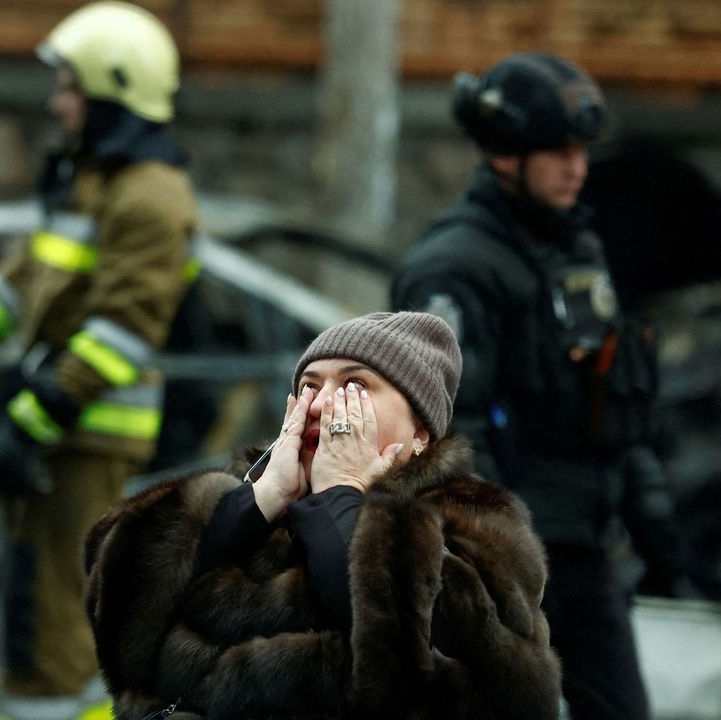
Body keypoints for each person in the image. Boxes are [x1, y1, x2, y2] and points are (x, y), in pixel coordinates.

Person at [0, 3, 197, 718]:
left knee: (60, 621)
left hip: (87, 434)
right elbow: (26, 283)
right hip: (64, 431)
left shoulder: (150, 197)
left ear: (114, 93)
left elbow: (123, 333)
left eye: (70, 89)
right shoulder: (96, 183)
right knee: (39, 612)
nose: (57, 104)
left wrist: (27, 421)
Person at [83, 312, 562, 719]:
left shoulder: (474, 522)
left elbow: (446, 671)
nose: (324, 404)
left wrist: (341, 496)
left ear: (421, 434)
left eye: (355, 386)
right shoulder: (255, 500)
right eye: (309, 386)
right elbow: (122, 623)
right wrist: (256, 503)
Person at [390, 53, 680, 719]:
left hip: (584, 555)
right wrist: (491, 558)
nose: (576, 166)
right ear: (503, 154)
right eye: (555, 151)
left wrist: (653, 518)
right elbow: (445, 432)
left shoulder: (575, 252)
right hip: (503, 564)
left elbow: (611, 408)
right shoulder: (455, 269)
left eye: (580, 150)